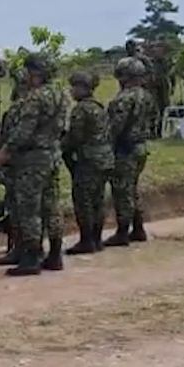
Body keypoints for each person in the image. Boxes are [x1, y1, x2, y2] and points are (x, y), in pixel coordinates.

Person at [0, 54, 66, 276]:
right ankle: (55, 255)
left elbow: (25, 130)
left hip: (33, 159)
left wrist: (7, 149)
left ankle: (32, 257)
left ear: (35, 72)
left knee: (29, 208)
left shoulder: (36, 97)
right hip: (52, 155)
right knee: (51, 206)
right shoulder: (60, 94)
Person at [104, 58, 155, 247]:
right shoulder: (147, 96)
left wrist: (107, 145)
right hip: (141, 147)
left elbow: (115, 127)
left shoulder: (123, 98)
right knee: (132, 188)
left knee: (122, 191)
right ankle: (138, 228)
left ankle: (122, 232)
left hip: (125, 149)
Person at [62, 71, 113, 255]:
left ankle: (86, 241)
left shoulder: (81, 109)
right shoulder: (99, 107)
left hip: (89, 161)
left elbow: (75, 138)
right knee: (98, 201)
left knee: (83, 201)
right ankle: (96, 239)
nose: (71, 91)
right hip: (105, 160)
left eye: (74, 87)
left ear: (83, 88)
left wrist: (61, 147)